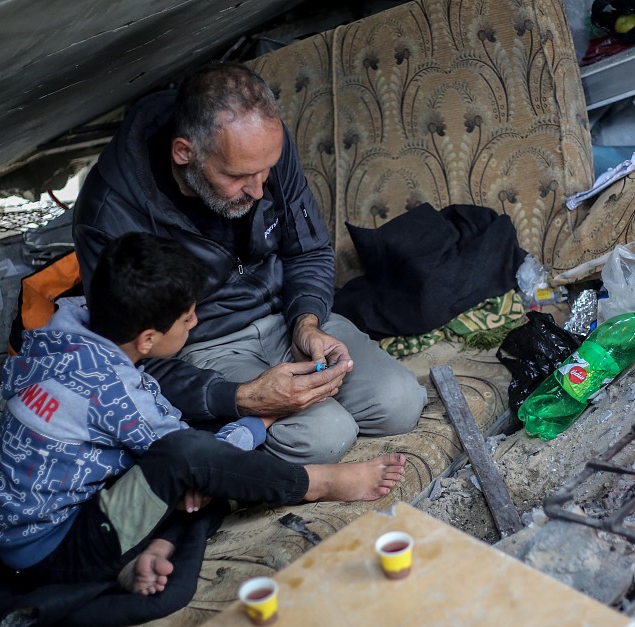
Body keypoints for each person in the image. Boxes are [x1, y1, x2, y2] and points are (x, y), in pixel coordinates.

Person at [0, 233, 406, 596]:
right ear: (148, 339)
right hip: (55, 551)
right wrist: (261, 419)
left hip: (35, 520)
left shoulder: (65, 329)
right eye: (187, 318)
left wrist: (245, 428)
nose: (195, 322)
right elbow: (191, 456)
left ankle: (153, 551)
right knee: (207, 463)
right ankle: (317, 483)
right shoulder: (112, 392)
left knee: (200, 454)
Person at [73, 62, 426, 465]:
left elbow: (308, 250)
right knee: (327, 435)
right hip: (204, 347)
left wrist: (306, 323)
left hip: (288, 317)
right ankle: (224, 442)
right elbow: (130, 356)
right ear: (184, 152)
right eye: (239, 176)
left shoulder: (259, 149)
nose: (259, 190)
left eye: (267, 171)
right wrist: (240, 398)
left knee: (401, 402)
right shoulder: (109, 215)